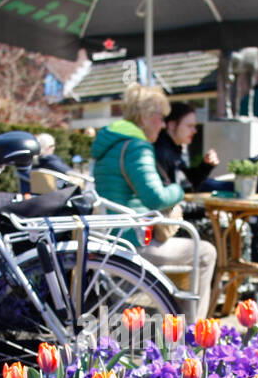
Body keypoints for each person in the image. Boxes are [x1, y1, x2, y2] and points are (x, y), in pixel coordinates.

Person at [91, 84, 217, 318]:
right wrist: (179, 189)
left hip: (109, 238)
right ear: (145, 117)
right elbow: (156, 197)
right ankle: (193, 334)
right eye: (160, 118)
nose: (162, 124)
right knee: (206, 251)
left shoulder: (110, 144)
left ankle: (175, 319)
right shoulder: (137, 147)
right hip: (133, 242)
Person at [155, 102, 222, 192]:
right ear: (172, 125)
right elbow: (182, 191)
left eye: (194, 126)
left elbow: (187, 185)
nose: (195, 131)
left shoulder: (172, 149)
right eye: (189, 126)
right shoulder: (162, 152)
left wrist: (206, 166)